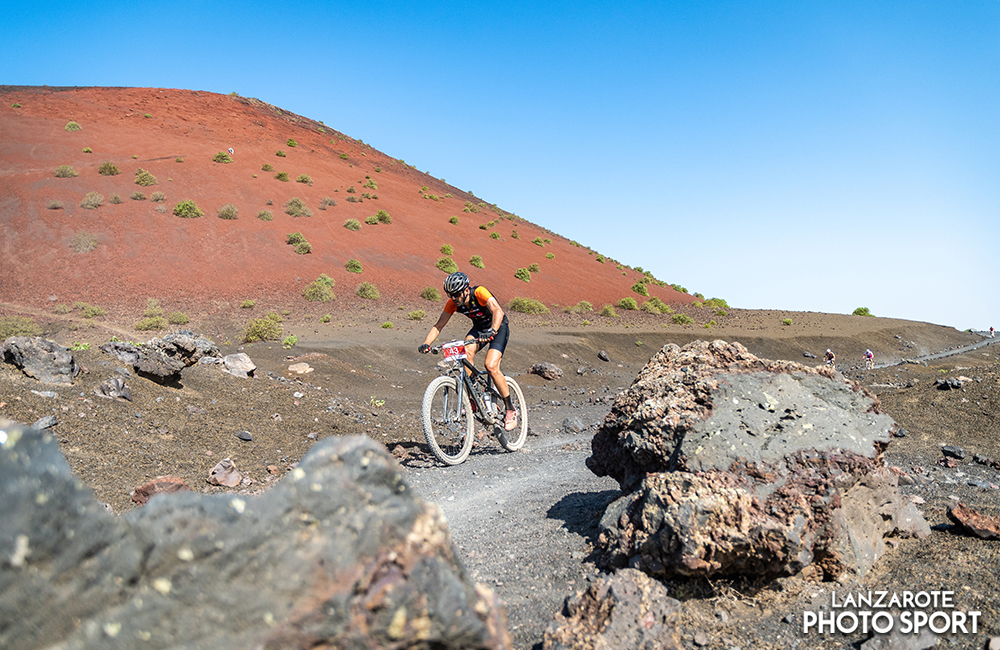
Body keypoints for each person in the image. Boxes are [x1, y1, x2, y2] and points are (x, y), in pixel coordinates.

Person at [419, 272, 518, 431]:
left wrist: (492, 330)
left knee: (491, 366)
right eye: (451, 295)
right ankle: (473, 400)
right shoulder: (453, 303)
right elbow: (439, 325)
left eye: (457, 294)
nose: (455, 298)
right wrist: (426, 343)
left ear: (466, 289)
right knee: (465, 353)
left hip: (498, 327)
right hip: (479, 329)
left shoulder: (479, 292)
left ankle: (510, 409)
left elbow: (498, 311)